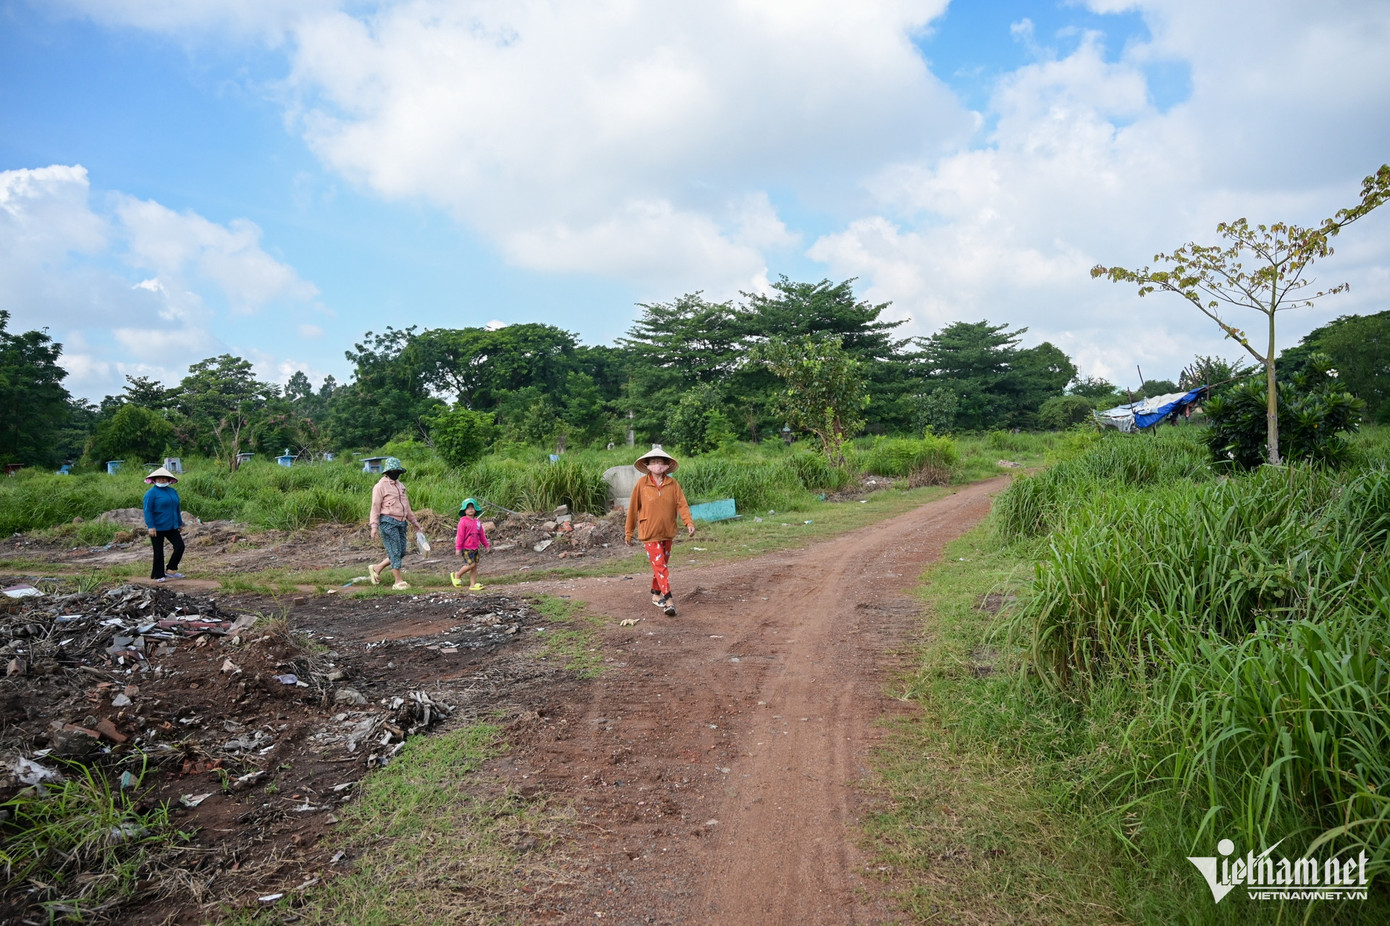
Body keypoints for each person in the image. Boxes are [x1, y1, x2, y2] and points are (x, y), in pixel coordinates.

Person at [624, 445, 695, 616]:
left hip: (668, 530)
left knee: (662, 565)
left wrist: (688, 523)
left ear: (666, 466)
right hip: (649, 533)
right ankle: (668, 601)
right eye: (654, 462)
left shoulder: (673, 484)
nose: (658, 466)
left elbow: (682, 504)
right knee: (660, 565)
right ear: (647, 466)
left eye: (661, 462)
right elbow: (633, 509)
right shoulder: (641, 484)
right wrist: (629, 532)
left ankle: (655, 595)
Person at [368, 457, 422, 590]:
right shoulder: (380, 486)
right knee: (395, 551)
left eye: (398, 471)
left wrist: (414, 522)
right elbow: (375, 506)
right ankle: (398, 581)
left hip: (401, 522)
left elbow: (407, 506)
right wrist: (374, 526)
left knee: (401, 551)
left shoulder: (401, 486)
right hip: (387, 521)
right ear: (388, 471)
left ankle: (377, 567)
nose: (396, 473)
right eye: (394, 470)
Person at [142, 466, 186, 582]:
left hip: (171, 526)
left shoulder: (172, 491)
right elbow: (147, 510)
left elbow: (177, 508)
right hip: (157, 527)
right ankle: (158, 574)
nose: (162, 480)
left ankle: (171, 569)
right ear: (155, 479)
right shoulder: (151, 493)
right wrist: (150, 526)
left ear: (168, 479)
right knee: (158, 551)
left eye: (164, 478)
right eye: (159, 478)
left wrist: (179, 523)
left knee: (180, 546)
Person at [450, 498, 491, 590]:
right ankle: (457, 574)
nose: (470, 509)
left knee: (474, 567)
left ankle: (472, 585)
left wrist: (486, 545)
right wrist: (458, 548)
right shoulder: (463, 521)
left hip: (475, 547)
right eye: (468, 508)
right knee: (471, 564)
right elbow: (460, 535)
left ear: (475, 509)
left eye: (472, 507)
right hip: (466, 547)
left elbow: (482, 535)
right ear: (464, 510)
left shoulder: (478, 522)